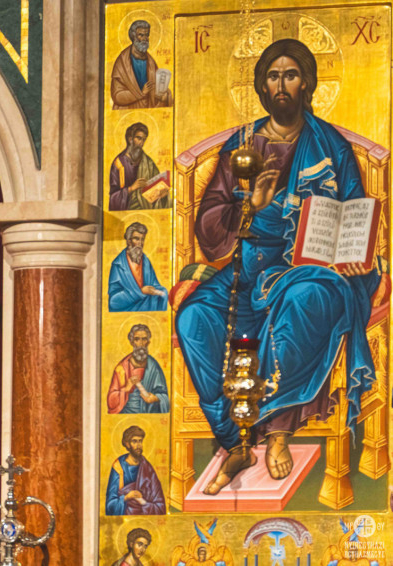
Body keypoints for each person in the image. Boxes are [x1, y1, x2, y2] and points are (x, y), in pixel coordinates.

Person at [175, 38, 381, 495]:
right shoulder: (241, 146)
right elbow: (208, 225)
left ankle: (278, 432)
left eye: (290, 75)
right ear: (261, 86)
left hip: (314, 268)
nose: (282, 85)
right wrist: (250, 205)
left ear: (306, 83)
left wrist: (352, 256)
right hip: (249, 268)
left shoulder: (330, 145)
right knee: (193, 317)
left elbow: (354, 210)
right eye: (273, 76)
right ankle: (235, 441)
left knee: (302, 301)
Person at [111, 21, 172, 109]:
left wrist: (164, 96)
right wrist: (141, 93)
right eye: (141, 35)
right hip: (128, 110)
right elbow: (117, 95)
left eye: (147, 35)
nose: (145, 39)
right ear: (133, 36)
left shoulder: (151, 62)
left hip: (149, 108)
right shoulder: (122, 62)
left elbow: (155, 91)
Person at [106, 425, 166, 515]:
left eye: (140, 441)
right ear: (127, 444)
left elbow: (160, 505)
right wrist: (126, 497)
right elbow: (110, 505)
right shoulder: (118, 467)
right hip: (124, 516)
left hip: (144, 515)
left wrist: (143, 502)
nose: (138, 445)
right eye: (134, 441)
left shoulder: (147, 467)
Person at [108, 324, 169, 414]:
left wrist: (155, 398)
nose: (141, 343)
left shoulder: (154, 366)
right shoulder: (121, 368)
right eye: (137, 339)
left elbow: (165, 396)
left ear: (148, 342)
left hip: (149, 414)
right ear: (132, 342)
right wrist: (126, 389)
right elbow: (110, 401)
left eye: (144, 339)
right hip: (126, 415)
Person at [109, 123, 170, 211]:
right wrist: (131, 188)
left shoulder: (148, 163)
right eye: (139, 138)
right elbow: (113, 198)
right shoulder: (119, 163)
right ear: (130, 139)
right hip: (127, 211)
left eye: (144, 139)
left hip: (146, 208)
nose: (142, 143)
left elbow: (157, 188)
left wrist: (162, 195)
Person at [108, 222, 168, 312]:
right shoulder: (118, 265)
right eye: (136, 239)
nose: (140, 243)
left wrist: (161, 292)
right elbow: (113, 301)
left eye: (142, 239)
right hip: (128, 311)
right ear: (129, 241)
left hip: (147, 310)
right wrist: (140, 292)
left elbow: (155, 285)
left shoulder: (146, 262)